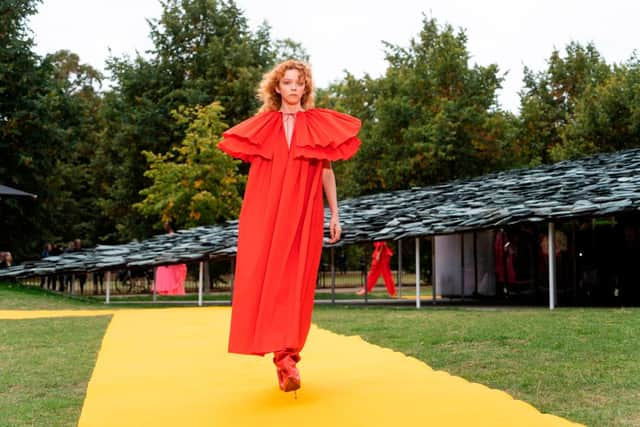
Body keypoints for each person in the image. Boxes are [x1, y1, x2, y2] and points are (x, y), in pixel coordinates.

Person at [218, 59, 361, 393]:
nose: (294, 88)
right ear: (277, 87)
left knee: (296, 281)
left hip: (304, 213)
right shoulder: (263, 125)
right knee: (268, 278)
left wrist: (335, 214)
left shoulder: (317, 124)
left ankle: (288, 356)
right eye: (288, 82)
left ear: (305, 88)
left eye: (299, 83)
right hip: (267, 213)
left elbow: (326, 171)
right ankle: (281, 358)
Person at [154, 220, 187, 295]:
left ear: (170, 225)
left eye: (166, 224)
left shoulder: (172, 236)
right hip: (170, 260)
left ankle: (171, 292)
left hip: (171, 261)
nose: (164, 225)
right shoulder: (173, 236)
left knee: (170, 278)